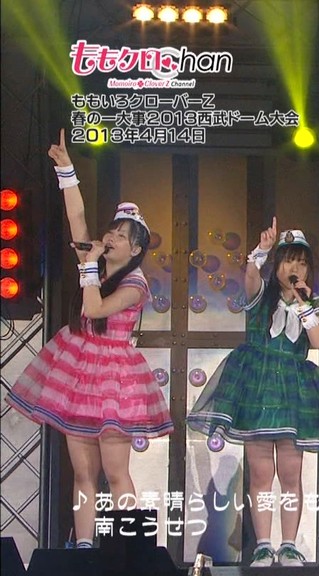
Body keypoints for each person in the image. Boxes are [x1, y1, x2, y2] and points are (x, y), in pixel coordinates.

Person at [5, 129, 173, 549]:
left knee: (115, 472)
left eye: (122, 235)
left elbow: (95, 309)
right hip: (79, 367)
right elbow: (77, 218)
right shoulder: (93, 263)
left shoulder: (135, 284)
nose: (111, 237)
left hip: (115, 377)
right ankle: (83, 548)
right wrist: (66, 170)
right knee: (83, 473)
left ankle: (127, 549)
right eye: (112, 231)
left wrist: (89, 266)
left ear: (136, 250)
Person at [187, 219, 319, 568]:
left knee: (291, 473)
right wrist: (261, 251)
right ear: (277, 264)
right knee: (261, 473)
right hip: (258, 386)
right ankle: (263, 545)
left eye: (302, 262)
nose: (296, 268)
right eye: (289, 260)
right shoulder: (262, 295)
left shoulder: (314, 301)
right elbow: (250, 277)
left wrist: (304, 304)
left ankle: (289, 545)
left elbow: (318, 340)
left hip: (293, 390)